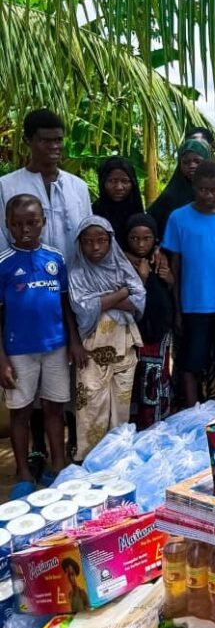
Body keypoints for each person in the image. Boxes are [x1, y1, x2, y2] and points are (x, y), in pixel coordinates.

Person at [0, 195, 85, 497]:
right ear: (8, 224)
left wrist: (74, 341)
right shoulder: (4, 264)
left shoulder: (55, 259)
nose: (25, 229)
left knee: (55, 407)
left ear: (43, 223)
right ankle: (23, 472)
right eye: (18, 223)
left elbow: (64, 304)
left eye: (32, 222)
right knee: (21, 412)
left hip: (56, 348)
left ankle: (58, 465)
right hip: (18, 351)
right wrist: (2, 360)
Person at [161, 161, 215, 408]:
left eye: (214, 190)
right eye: (202, 190)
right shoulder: (178, 218)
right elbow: (175, 265)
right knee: (190, 361)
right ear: (194, 187)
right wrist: (178, 309)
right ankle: (192, 409)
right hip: (192, 306)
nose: (208, 195)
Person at [68, 216, 146, 460]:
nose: (95, 247)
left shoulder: (121, 266)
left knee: (121, 405)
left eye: (101, 241)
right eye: (88, 242)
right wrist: (121, 292)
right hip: (91, 350)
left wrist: (101, 301)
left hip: (124, 345)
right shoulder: (76, 272)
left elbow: (139, 299)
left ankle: (117, 456)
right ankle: (89, 458)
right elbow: (82, 307)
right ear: (79, 243)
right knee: (91, 405)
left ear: (110, 241)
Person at [0, 109, 92, 264]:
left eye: (58, 140)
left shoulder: (78, 187)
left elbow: (89, 234)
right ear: (27, 140)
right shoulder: (6, 186)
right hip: (25, 283)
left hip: (75, 282)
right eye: (46, 141)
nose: (54, 146)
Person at [124, 213, 174, 430]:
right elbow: (132, 300)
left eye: (147, 238)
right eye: (135, 238)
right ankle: (142, 428)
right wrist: (142, 278)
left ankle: (158, 424)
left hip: (160, 333)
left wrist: (169, 279)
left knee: (157, 380)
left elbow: (170, 291)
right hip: (138, 334)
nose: (141, 244)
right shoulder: (123, 265)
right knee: (141, 383)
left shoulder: (160, 260)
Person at [149, 139, 215, 236]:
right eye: (186, 162)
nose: (191, 165)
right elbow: (147, 224)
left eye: (197, 161)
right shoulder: (169, 197)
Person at [92, 157, 144, 249]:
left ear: (133, 183)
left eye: (124, 181)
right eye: (112, 181)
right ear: (103, 183)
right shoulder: (93, 214)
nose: (119, 187)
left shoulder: (137, 211)